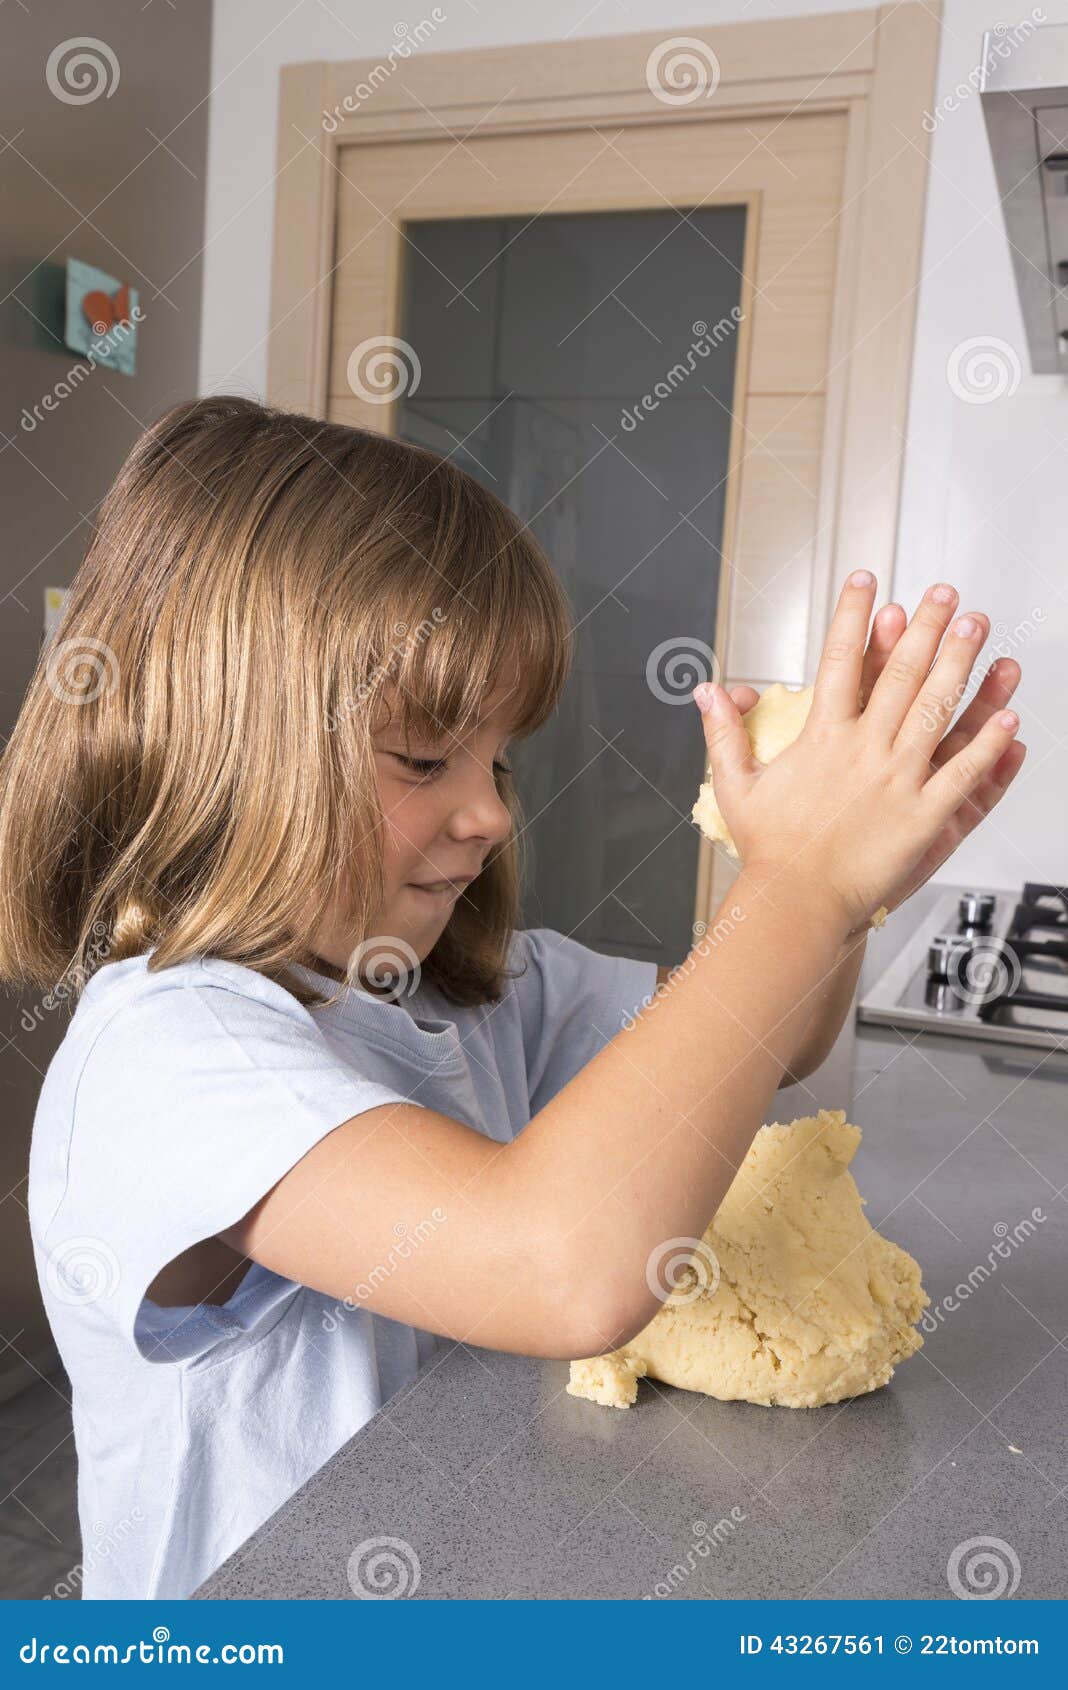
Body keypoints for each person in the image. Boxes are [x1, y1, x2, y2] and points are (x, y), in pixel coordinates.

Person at [0, 396, 1024, 1599]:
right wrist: (799, 882)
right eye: (426, 758)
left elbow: (778, 1040)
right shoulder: (165, 1054)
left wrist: (850, 889)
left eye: (500, 759)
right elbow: (561, 1264)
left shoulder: (471, 993)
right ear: (231, 745)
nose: (487, 810)